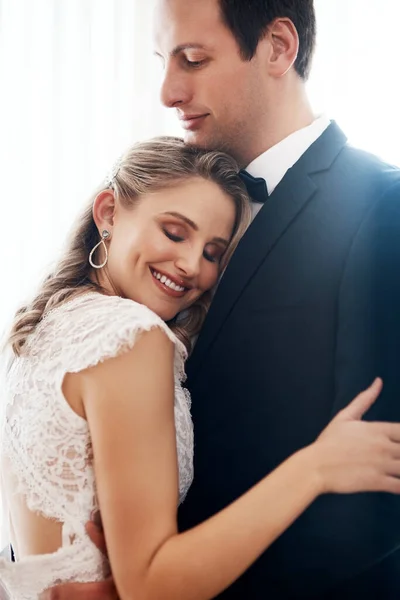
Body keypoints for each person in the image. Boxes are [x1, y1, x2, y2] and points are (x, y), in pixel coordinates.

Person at [43, 1, 400, 599]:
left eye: (192, 59)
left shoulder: (381, 207)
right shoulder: (175, 203)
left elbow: (378, 497)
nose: (166, 91)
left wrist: (164, 581)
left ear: (279, 48)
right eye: (163, 60)